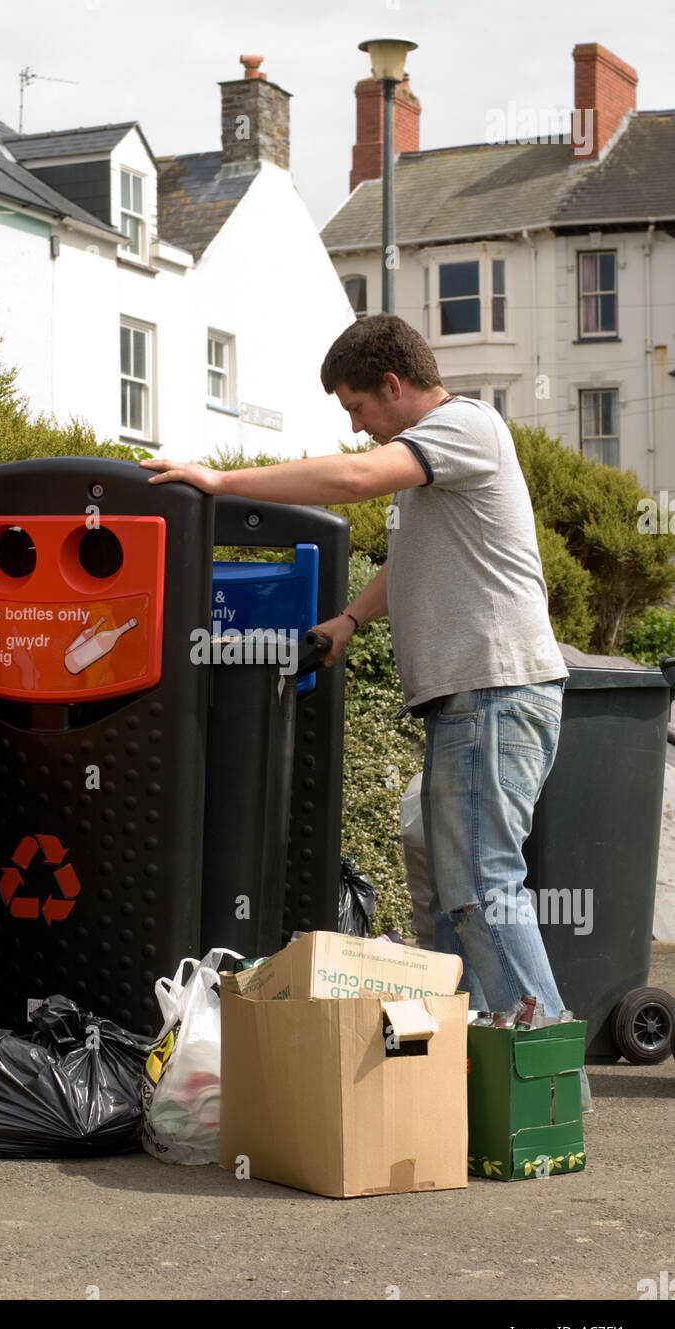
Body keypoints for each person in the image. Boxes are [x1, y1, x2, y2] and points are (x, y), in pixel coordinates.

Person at [141, 314, 589, 1105]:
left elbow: (348, 478)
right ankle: (467, 1068)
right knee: (440, 875)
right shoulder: (434, 469)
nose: (353, 424)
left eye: (356, 405)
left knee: (484, 885)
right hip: (469, 703)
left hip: (492, 694)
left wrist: (217, 481)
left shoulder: (463, 428)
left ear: (392, 384)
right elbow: (411, 561)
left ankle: (546, 1085)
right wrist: (348, 621)